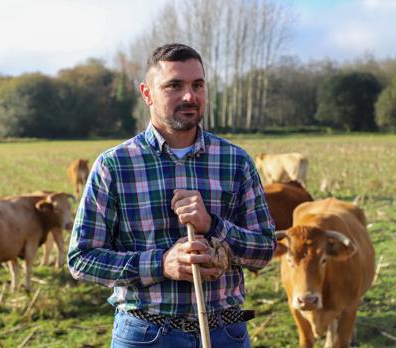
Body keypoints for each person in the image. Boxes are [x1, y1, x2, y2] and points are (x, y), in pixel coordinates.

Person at [68, 43, 275, 347]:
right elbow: (81, 258)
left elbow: (266, 249)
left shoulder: (235, 161)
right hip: (146, 334)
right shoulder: (114, 165)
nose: (189, 96)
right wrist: (160, 264)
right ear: (147, 93)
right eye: (174, 86)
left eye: (198, 85)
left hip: (225, 333)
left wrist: (214, 226)